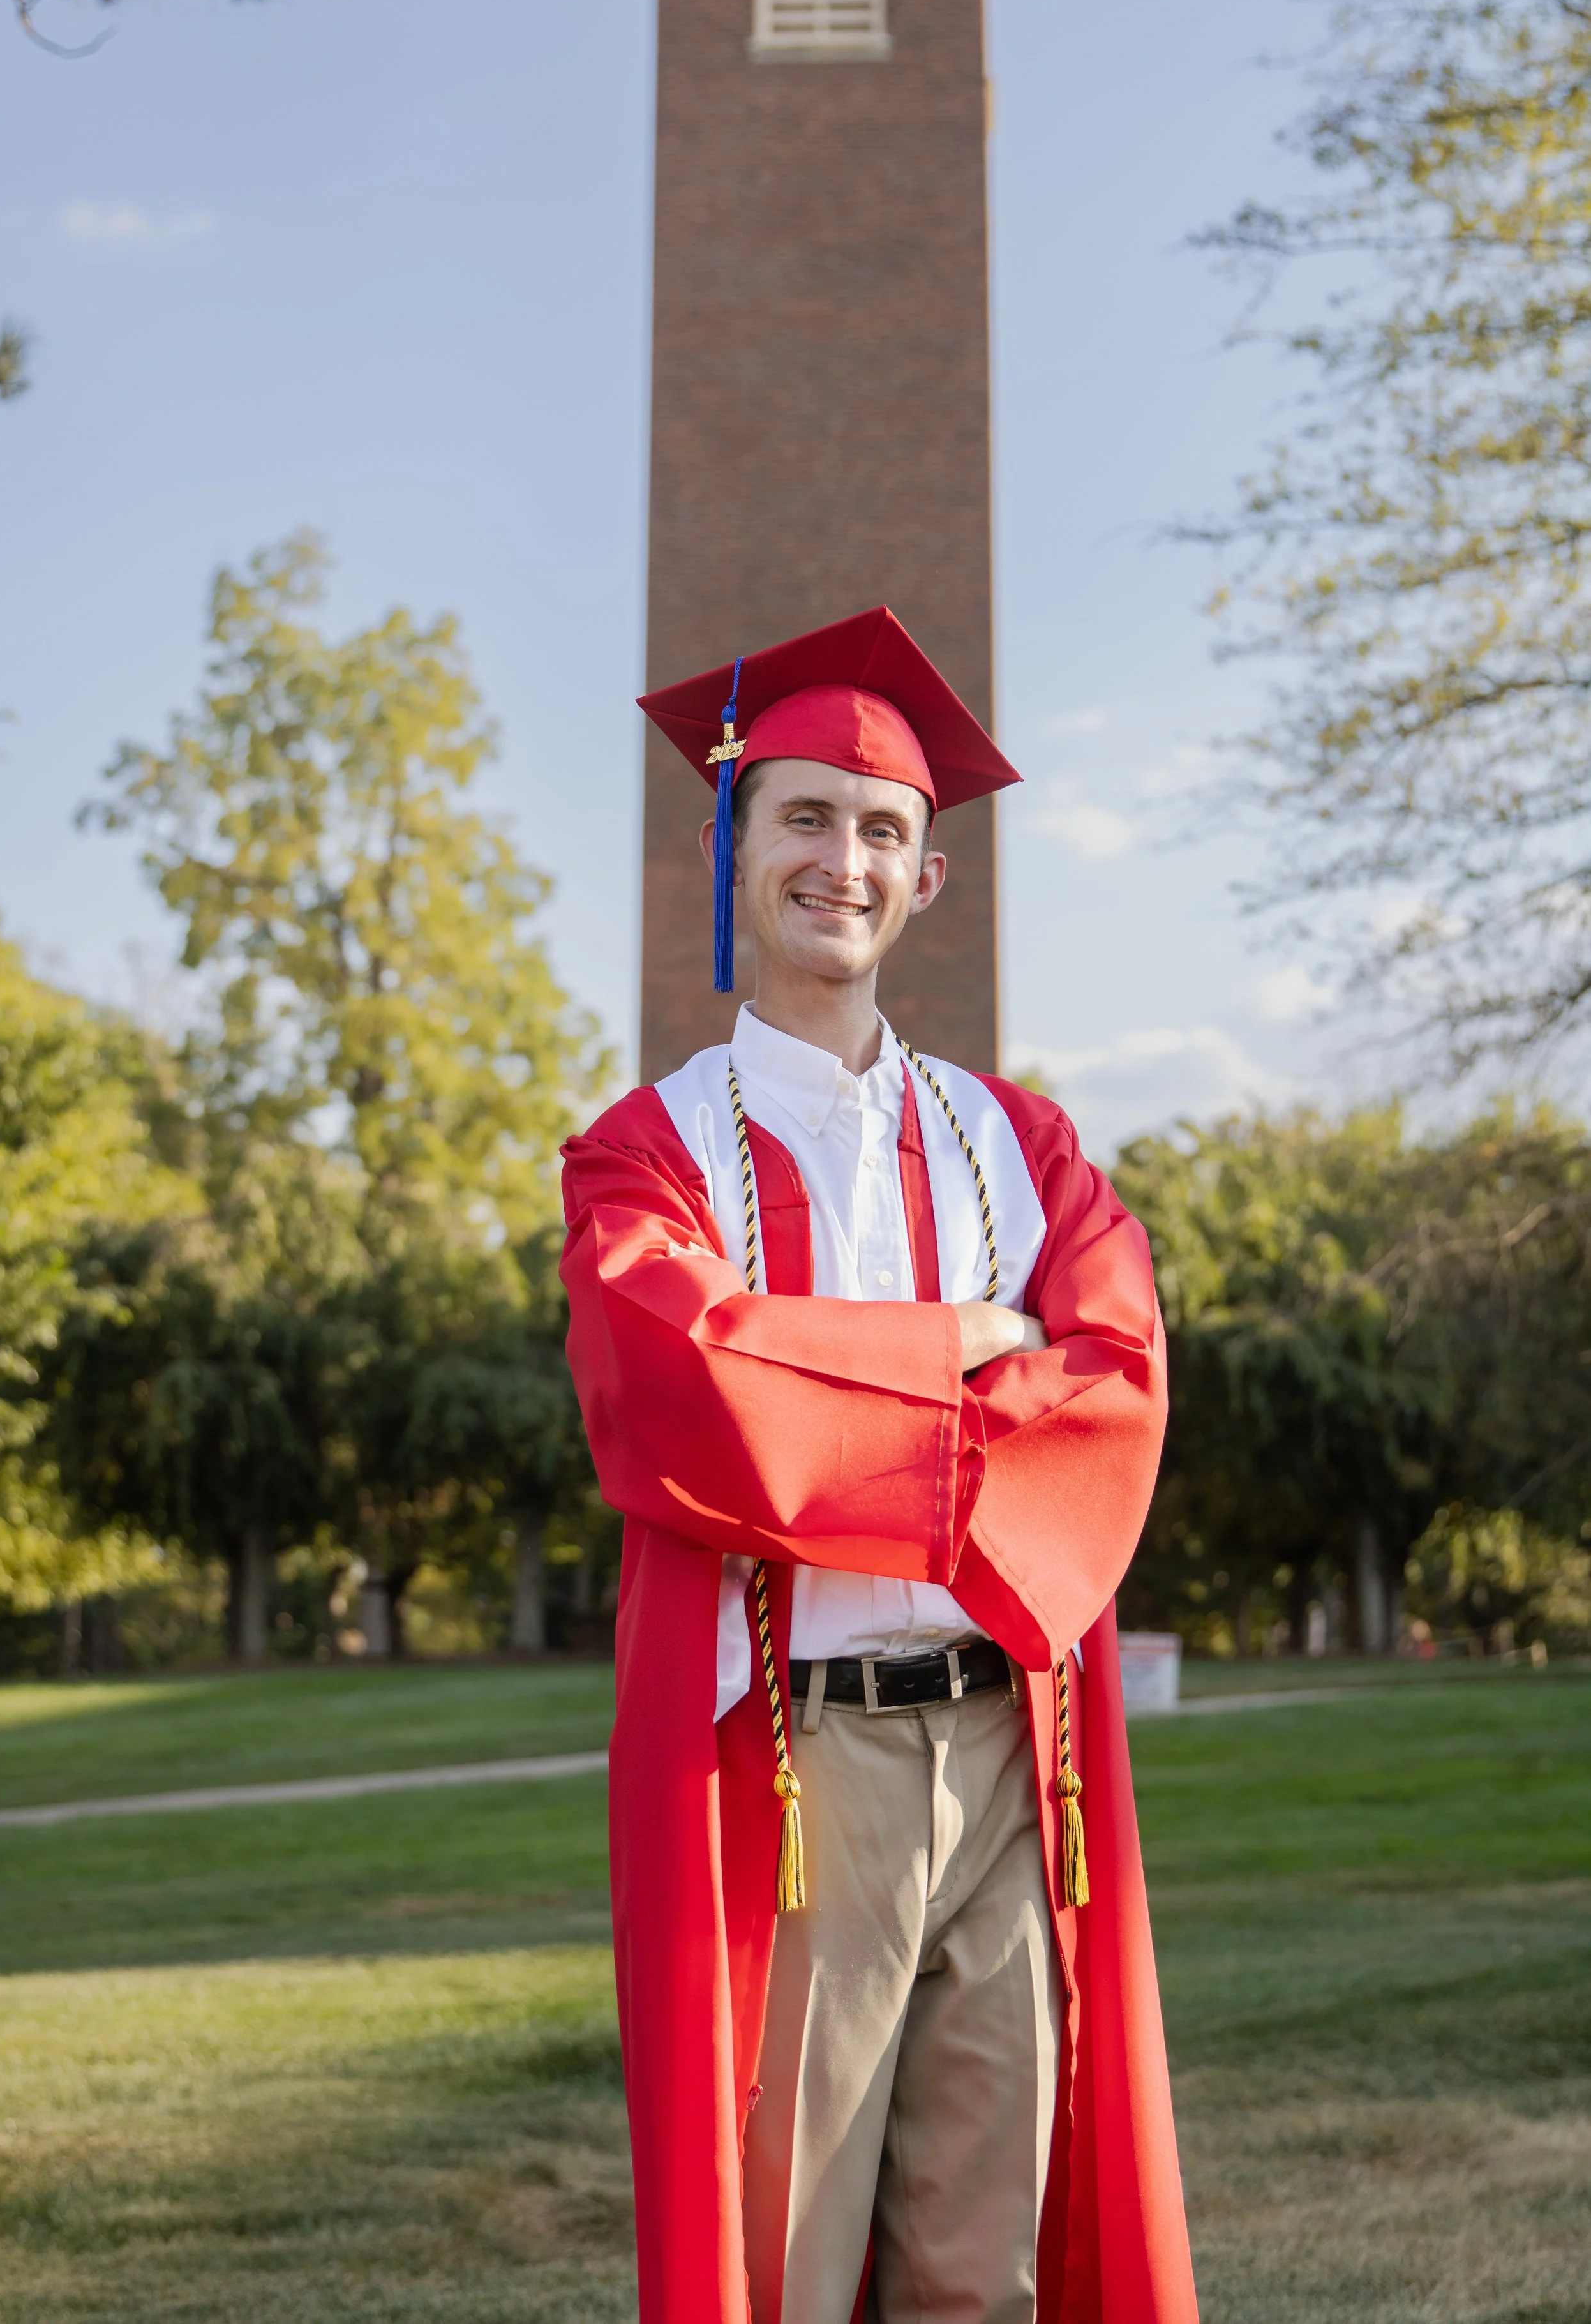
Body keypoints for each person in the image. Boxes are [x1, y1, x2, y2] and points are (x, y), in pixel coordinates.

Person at [560, 608, 1198, 2324]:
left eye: (881, 828)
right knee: (785, 2253)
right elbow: (681, 1396)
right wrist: (959, 1355)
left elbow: (1114, 1386)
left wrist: (810, 1379)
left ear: (927, 879)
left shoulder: (1020, 1140)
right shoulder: (651, 1150)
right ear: (734, 842)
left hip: (1011, 1753)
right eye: (803, 816)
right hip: (789, 1771)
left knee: (980, 2258)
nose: (840, 858)